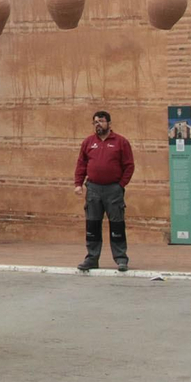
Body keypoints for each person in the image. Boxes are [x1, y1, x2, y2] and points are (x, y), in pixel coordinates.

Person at [74, 110, 135, 272]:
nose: (98, 125)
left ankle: (121, 258)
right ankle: (92, 258)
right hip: (93, 189)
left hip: (113, 189)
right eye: (95, 122)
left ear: (109, 123)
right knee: (92, 224)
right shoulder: (88, 142)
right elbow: (81, 164)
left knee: (117, 224)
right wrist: (78, 184)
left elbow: (129, 165)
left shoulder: (120, 142)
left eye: (101, 121)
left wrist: (120, 185)